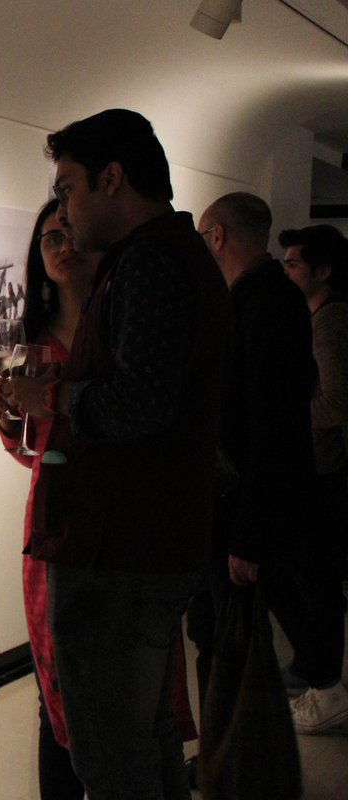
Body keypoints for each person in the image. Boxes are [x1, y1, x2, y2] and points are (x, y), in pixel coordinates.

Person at [3, 109, 231, 799]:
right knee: (146, 737)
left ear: (112, 178)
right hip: (142, 540)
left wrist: (55, 400)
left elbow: (140, 403)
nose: (66, 212)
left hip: (119, 548)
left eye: (68, 189)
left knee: (112, 758)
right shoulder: (168, 258)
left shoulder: (153, 262)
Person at [0, 199, 98, 800]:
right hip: (53, 520)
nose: (61, 245)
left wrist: (47, 405)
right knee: (51, 683)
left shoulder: (118, 334)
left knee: (111, 689)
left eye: (69, 232)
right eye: (49, 237)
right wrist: (12, 420)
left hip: (117, 520)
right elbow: (33, 453)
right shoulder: (35, 343)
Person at [187, 193, 316, 705]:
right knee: (217, 630)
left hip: (240, 506)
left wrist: (249, 535)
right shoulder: (268, 298)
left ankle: (236, 765)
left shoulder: (263, 303)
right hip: (238, 504)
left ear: (217, 236)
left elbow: (270, 424)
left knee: (229, 637)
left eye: (203, 236)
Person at [278, 224, 348, 733]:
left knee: (316, 580)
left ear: (323, 271)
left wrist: (285, 416)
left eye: (295, 263)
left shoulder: (329, 322)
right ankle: (315, 673)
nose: (287, 269)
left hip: (326, 472)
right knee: (309, 579)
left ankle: (326, 687)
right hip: (320, 469)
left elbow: (337, 401)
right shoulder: (317, 317)